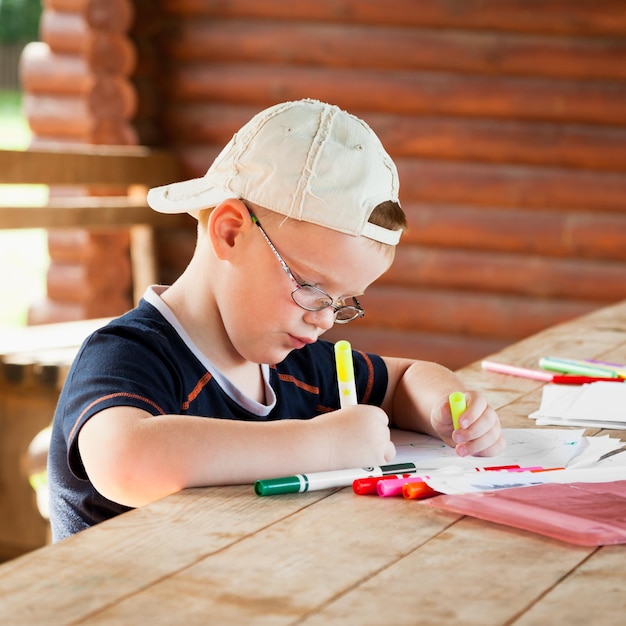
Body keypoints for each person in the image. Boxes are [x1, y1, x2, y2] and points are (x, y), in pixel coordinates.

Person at [48, 99, 505, 541]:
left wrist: (447, 406)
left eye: (343, 301)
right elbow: (124, 461)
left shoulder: (294, 363)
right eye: (310, 287)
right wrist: (321, 446)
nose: (325, 319)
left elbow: (405, 377)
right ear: (230, 233)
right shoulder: (128, 354)